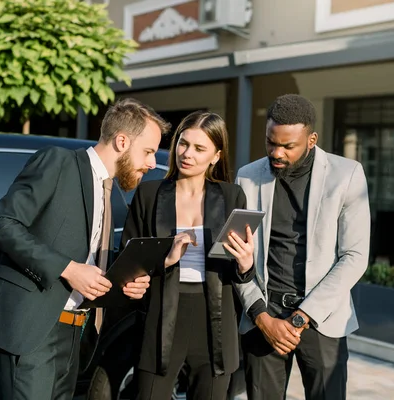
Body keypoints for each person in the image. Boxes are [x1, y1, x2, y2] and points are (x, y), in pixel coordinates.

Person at [0, 98, 171, 400]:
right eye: (149, 151)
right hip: (33, 332)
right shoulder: (58, 162)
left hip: (76, 335)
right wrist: (69, 269)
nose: (152, 163)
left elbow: (91, 260)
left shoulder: (112, 192)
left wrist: (127, 281)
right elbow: (0, 223)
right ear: (122, 141)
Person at [233, 94, 371, 400]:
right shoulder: (247, 177)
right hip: (264, 316)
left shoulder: (346, 175)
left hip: (323, 319)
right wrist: (261, 316)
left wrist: (301, 317)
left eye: (287, 146)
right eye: (271, 142)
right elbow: (234, 255)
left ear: (311, 139)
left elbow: (355, 257)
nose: (276, 152)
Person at [121, 111, 255, 400]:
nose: (187, 154)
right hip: (160, 313)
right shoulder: (149, 194)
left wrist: (246, 264)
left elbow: (238, 270)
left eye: (199, 148)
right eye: (183, 143)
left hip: (215, 318)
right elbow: (127, 260)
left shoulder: (233, 197)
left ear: (216, 156)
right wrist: (164, 259)